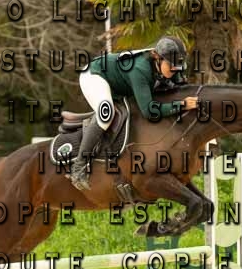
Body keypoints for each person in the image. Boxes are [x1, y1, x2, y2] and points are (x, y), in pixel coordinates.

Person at [70, 36, 198, 190]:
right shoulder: (140, 69)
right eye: (171, 65)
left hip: (117, 83)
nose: (175, 70)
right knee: (107, 115)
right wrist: (182, 105)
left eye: (178, 66)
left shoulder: (172, 66)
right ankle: (78, 167)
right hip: (94, 75)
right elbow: (149, 111)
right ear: (157, 58)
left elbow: (181, 88)